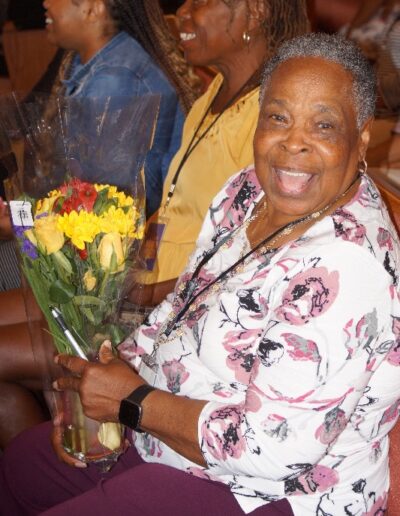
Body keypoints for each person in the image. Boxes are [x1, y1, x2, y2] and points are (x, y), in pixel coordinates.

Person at [1, 32, 399, 515]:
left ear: (360, 140)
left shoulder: (348, 267)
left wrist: (132, 403)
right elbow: (182, 304)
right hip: (167, 431)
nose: (294, 142)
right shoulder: (248, 190)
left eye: (324, 126)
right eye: (278, 117)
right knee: (22, 465)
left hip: (269, 492)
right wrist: (109, 374)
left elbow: (275, 450)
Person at [0, 0, 310, 449]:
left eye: (200, 1)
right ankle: (57, 465)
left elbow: (249, 257)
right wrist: (112, 272)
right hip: (134, 279)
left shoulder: (269, 116)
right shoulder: (218, 91)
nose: (182, 12)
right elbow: (169, 209)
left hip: (169, 308)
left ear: (255, 11)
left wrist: (139, 291)